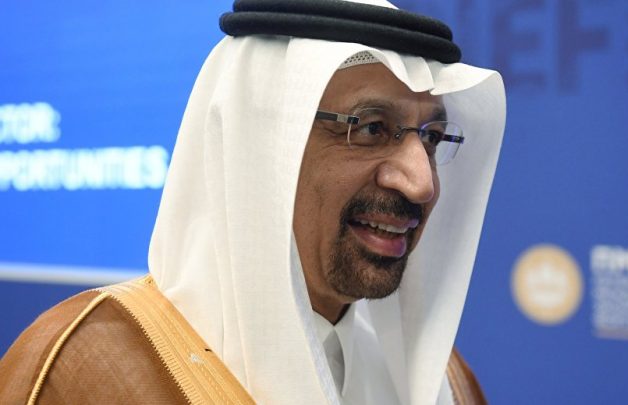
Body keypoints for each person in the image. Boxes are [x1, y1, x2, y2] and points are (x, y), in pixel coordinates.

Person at [0, 0, 505, 404]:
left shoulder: (440, 383)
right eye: (371, 128)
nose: (421, 183)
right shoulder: (90, 372)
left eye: (431, 138)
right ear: (260, 145)